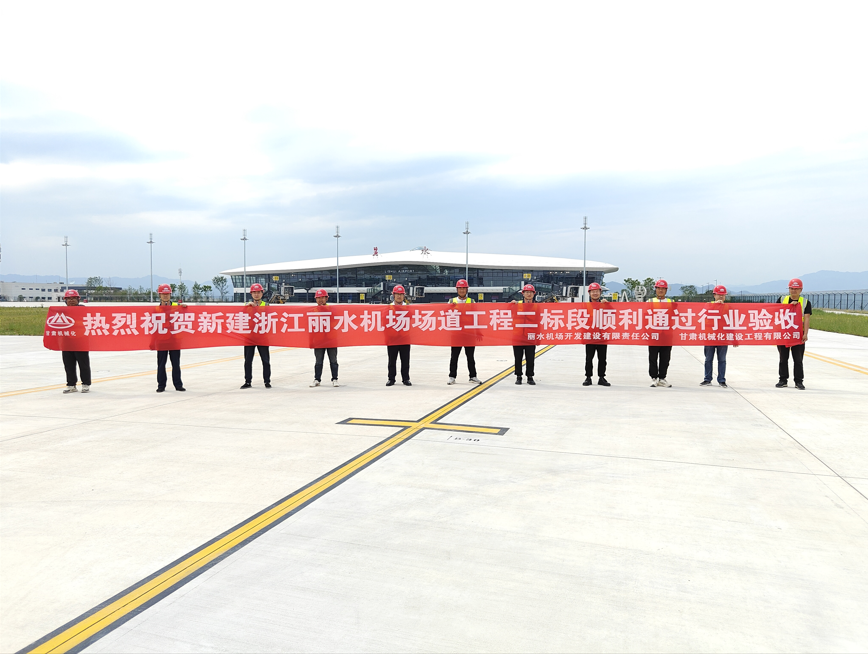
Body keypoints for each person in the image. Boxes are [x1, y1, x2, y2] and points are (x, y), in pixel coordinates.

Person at [776, 278, 811, 390]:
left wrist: (805, 333)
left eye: (796, 289)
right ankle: (783, 380)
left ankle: (798, 381)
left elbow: (807, 319)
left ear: (801, 290)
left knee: (798, 359)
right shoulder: (782, 299)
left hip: (797, 334)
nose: (793, 291)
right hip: (784, 334)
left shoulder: (805, 302)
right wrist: (789, 306)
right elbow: (776, 313)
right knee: (783, 358)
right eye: (791, 288)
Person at [700, 285, 737, 388]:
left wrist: (734, 338)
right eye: (719, 294)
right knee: (708, 359)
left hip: (722, 337)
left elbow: (731, 323)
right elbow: (703, 315)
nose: (721, 297)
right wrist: (716, 305)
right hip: (710, 336)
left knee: (722, 360)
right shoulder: (708, 305)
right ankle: (707, 379)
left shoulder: (728, 307)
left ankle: (721, 380)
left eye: (723, 295)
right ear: (714, 295)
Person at [447, 279, 482, 385]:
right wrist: (449, 308)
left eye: (464, 288)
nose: (462, 290)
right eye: (460, 288)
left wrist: (478, 331)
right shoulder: (451, 301)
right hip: (456, 334)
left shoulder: (472, 301)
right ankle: (452, 376)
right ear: (457, 289)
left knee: (470, 357)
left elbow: (476, 317)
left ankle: (473, 376)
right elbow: (445, 315)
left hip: (469, 334)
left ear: (467, 289)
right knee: (454, 356)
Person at [156, 284, 187, 392]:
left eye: (167, 294)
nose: (165, 296)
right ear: (159, 295)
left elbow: (186, 313)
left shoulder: (176, 306)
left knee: (176, 364)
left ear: (170, 294)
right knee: (161, 364)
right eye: (163, 294)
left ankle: (178, 384)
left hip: (174, 340)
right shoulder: (156, 309)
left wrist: (183, 307)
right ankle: (161, 385)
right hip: (161, 340)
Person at [60, 289, 92, 393]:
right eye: (69, 299)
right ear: (65, 300)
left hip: (81, 341)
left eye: (74, 298)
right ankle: (71, 385)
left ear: (78, 299)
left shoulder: (83, 310)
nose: (71, 300)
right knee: (68, 365)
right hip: (67, 342)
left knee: (83, 364)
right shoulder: (61, 312)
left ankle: (86, 384)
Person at [241, 283, 272, 389]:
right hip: (249, 337)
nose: (256, 294)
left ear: (262, 293)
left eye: (258, 292)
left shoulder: (266, 305)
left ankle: (267, 381)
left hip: (262, 336)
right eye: (254, 292)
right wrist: (248, 307)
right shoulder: (246, 305)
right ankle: (248, 381)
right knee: (248, 361)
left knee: (265, 361)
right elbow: (240, 316)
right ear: (251, 294)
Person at [583, 282, 610, 387]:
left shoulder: (605, 305)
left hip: (602, 336)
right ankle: (588, 377)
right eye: (593, 291)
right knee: (589, 358)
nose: (595, 293)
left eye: (597, 291)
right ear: (589, 293)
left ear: (600, 292)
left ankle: (601, 377)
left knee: (602, 359)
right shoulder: (585, 306)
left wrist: (607, 305)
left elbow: (613, 315)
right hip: (590, 336)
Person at [310, 289, 339, 387]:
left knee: (333, 360)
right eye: (318, 298)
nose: (320, 300)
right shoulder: (313, 311)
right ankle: (317, 379)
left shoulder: (332, 309)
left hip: (331, 339)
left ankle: (335, 379)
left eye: (322, 297)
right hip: (318, 340)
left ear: (326, 298)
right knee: (318, 361)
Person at [648, 279, 673, 387]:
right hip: (654, 333)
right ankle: (654, 377)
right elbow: (644, 316)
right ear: (655, 289)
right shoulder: (650, 301)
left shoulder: (671, 302)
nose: (661, 290)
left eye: (663, 288)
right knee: (653, 357)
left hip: (667, 334)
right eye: (659, 288)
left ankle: (662, 377)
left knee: (665, 358)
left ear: (666, 290)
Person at [510, 284, 537, 385]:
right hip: (518, 336)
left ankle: (530, 376)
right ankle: (518, 376)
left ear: (534, 294)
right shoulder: (517, 304)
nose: (529, 294)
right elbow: (508, 313)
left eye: (530, 292)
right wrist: (511, 305)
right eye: (527, 292)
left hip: (531, 336)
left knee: (530, 358)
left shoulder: (537, 306)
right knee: (518, 358)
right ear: (523, 294)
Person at [386, 285, 412, 386]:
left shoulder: (408, 308)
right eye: (397, 294)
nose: (399, 296)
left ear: (404, 296)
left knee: (405, 360)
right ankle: (391, 378)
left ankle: (406, 378)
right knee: (392, 360)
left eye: (401, 294)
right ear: (393, 295)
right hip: (392, 338)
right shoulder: (388, 308)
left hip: (405, 338)